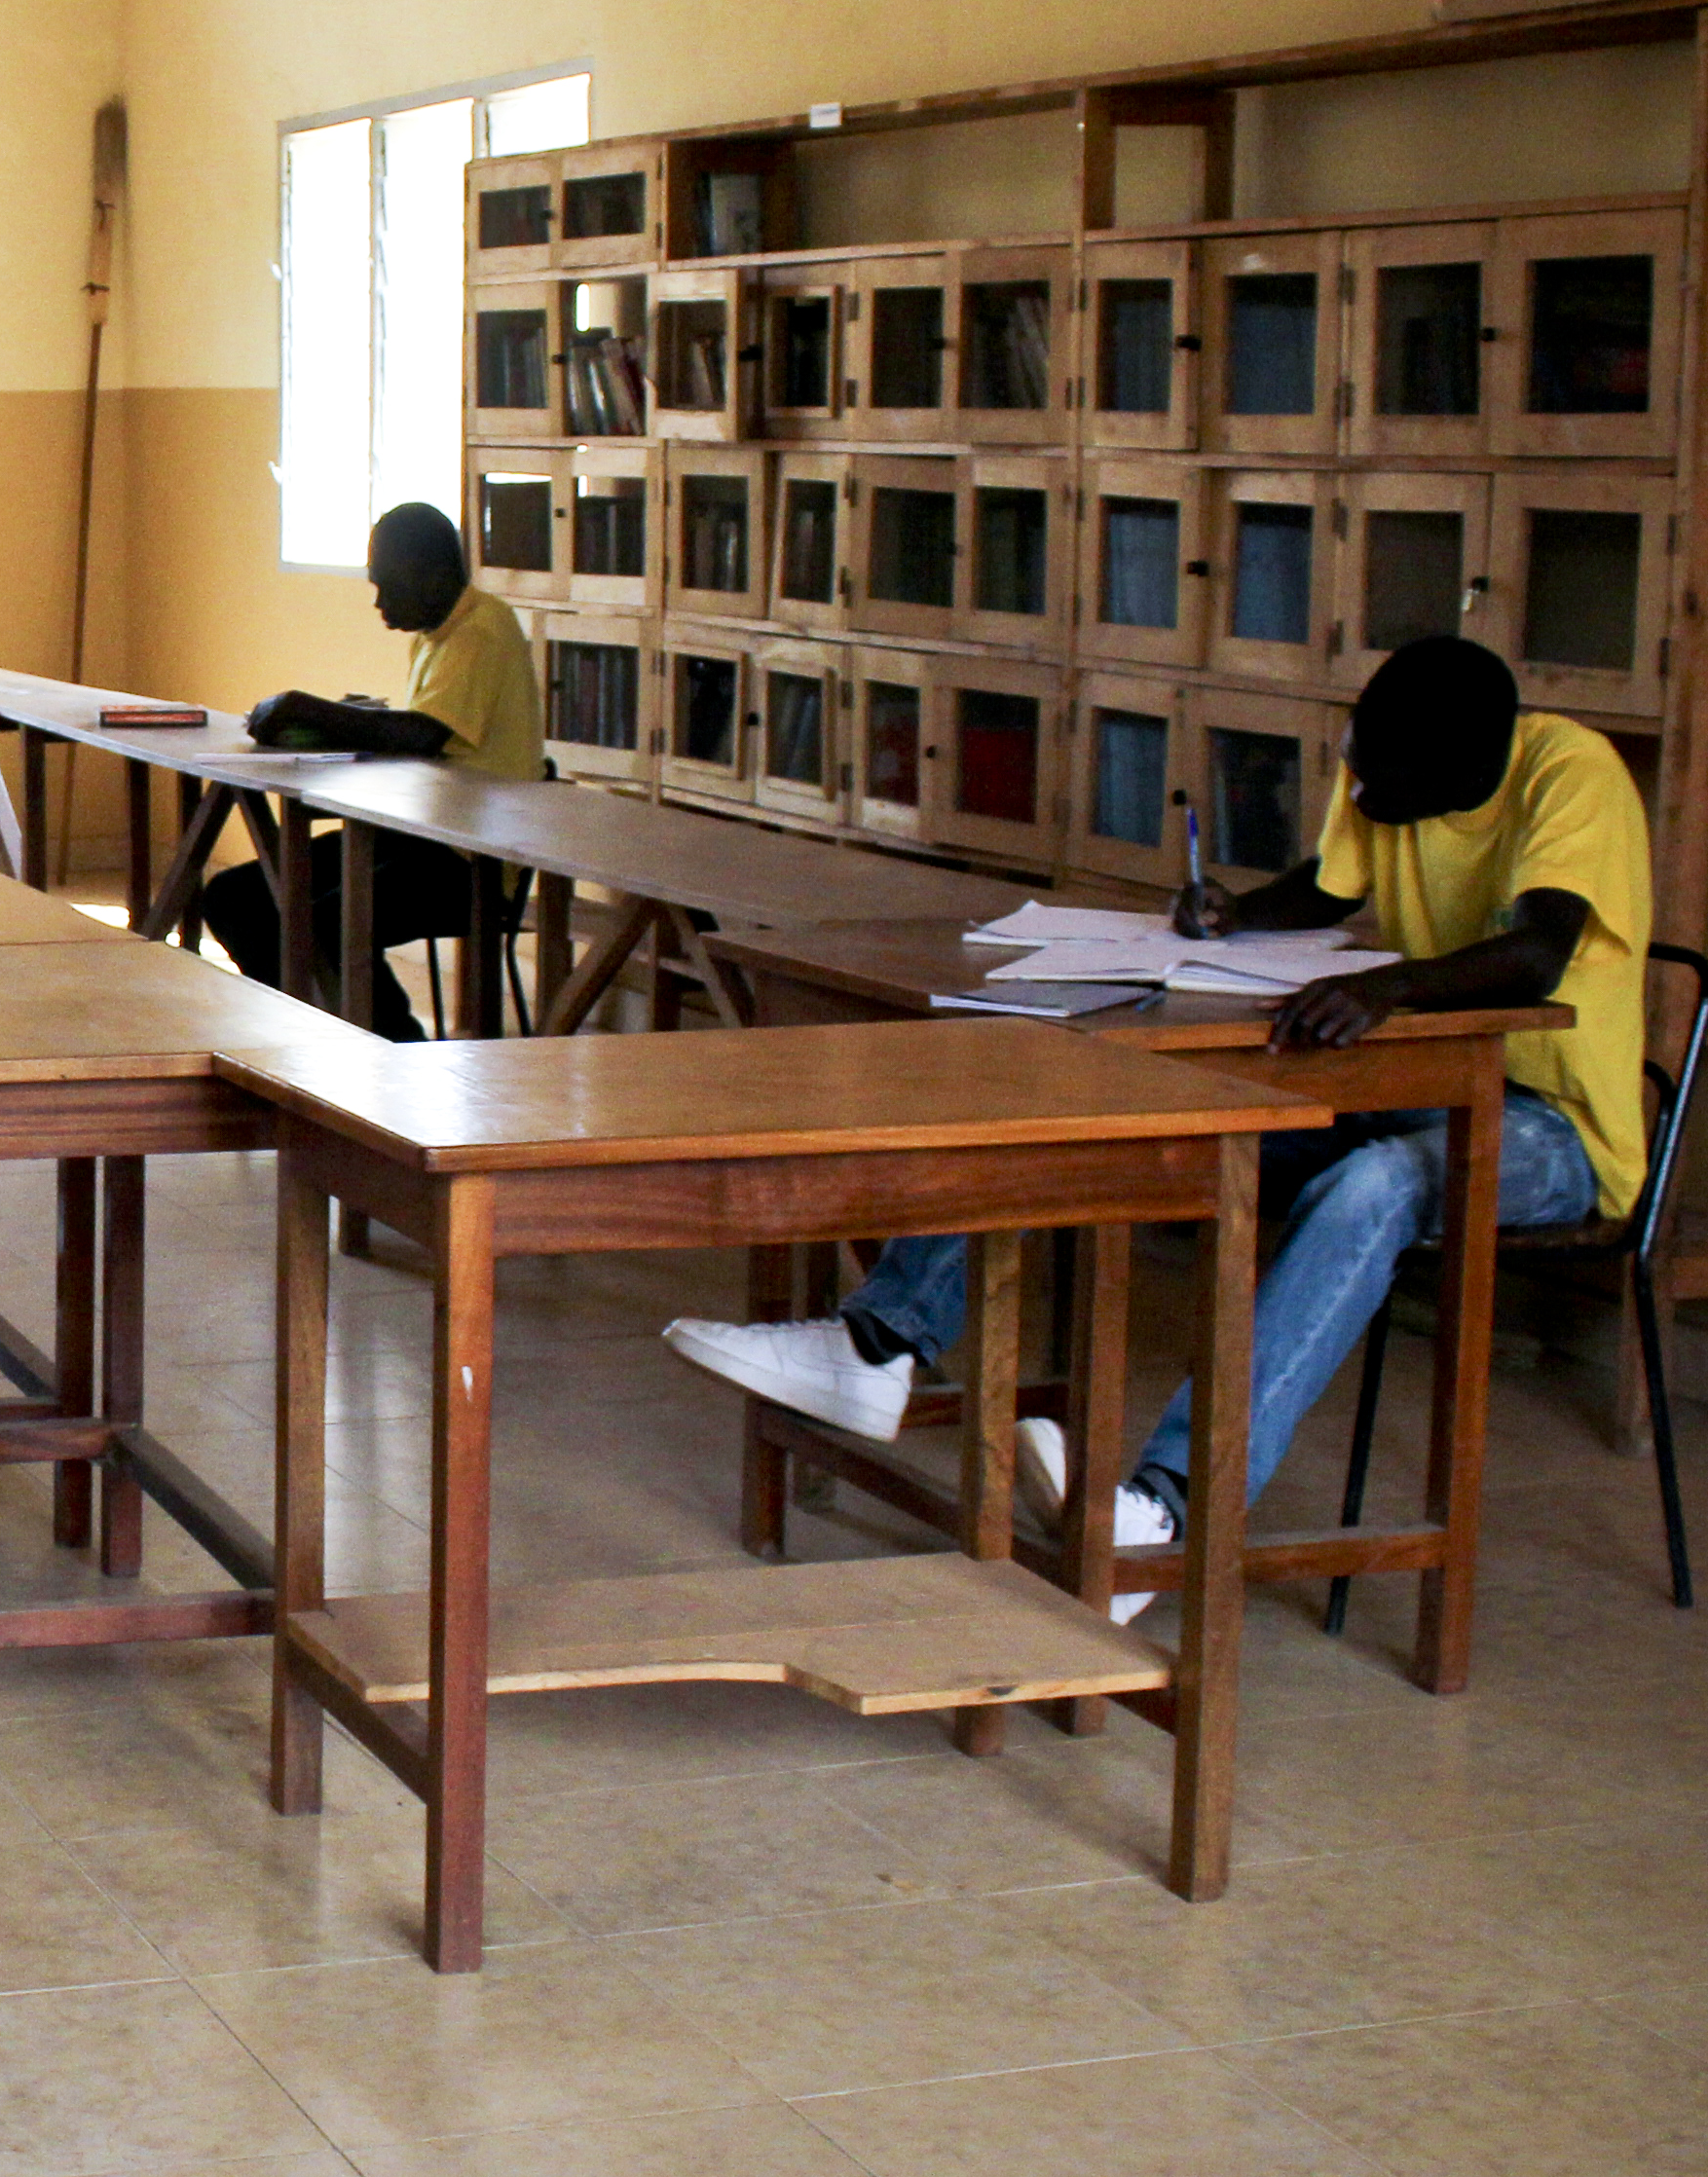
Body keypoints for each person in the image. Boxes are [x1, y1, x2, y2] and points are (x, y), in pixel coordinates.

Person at [656, 636, 1651, 1619]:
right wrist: (1233, 916)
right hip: (1413, 1083)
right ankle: (879, 1342)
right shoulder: (1392, 768)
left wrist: (1387, 985)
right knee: (1104, 1107)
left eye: (1377, 780)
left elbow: (1537, 955)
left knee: (1375, 1187)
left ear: (1461, 773)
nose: (1356, 790)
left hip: (1552, 1129)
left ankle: (1169, 1507)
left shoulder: (1569, 774)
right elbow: (1325, 888)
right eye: (1354, 761)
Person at [196, 498, 543, 1037]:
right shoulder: (437, 636)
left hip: (468, 861)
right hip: (414, 838)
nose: (379, 601)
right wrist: (346, 718)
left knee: (328, 923)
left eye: (388, 584)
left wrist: (309, 707)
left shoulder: (480, 632)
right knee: (234, 898)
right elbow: (423, 735)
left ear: (435, 576)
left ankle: (396, 1052)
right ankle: (321, 1028)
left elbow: (422, 734)